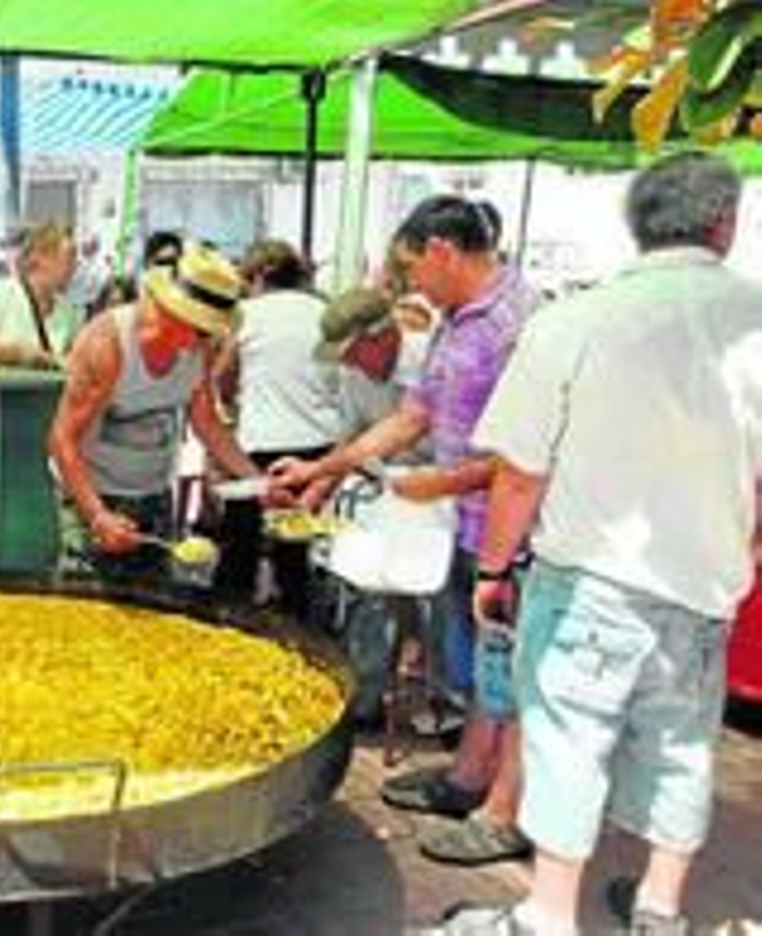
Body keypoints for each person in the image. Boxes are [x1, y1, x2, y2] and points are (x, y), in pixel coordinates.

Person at [438, 154, 762, 936]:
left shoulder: (575, 321)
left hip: (586, 581)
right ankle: (660, 908)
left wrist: (492, 569)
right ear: (725, 223)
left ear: (636, 226)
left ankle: (548, 914)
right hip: (704, 585)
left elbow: (519, 472)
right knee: (684, 747)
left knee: (567, 743)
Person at [269, 195, 538, 866]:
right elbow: (413, 419)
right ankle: (466, 780)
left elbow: (534, 453)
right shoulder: (458, 321)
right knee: (487, 667)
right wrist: (322, 467)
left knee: (521, 676)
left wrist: (439, 484)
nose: (410, 285)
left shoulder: (518, 322)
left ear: (443, 251)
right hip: (468, 525)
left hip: (519, 530)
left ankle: (505, 813)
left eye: (413, 269)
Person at [49, 243, 260, 585]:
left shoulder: (199, 348)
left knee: (152, 613)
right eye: (202, 328)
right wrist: (97, 515)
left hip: (153, 493)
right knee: (86, 611)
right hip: (91, 494)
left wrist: (256, 481)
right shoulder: (108, 342)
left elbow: (206, 422)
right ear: (173, 310)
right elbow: (62, 439)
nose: (206, 339)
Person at [312, 287, 435, 728]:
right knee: (365, 586)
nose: (346, 366)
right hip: (383, 489)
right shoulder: (354, 375)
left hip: (442, 491)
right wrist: (313, 491)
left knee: (438, 604)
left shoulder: (433, 361)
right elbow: (350, 439)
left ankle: (449, 703)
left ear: (380, 338)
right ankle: (362, 697)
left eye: (351, 354)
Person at [211, 239, 341, 620]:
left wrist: (233, 403)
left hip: (260, 447)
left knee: (240, 549)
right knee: (297, 553)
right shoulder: (325, 311)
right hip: (320, 448)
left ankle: (230, 627)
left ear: (259, 276)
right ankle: (300, 631)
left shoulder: (245, 315)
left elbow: (220, 378)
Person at [0, 222, 81, 368]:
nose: (75, 267)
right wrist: (14, 354)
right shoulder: (0, 295)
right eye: (69, 258)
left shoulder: (69, 312)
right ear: (39, 260)